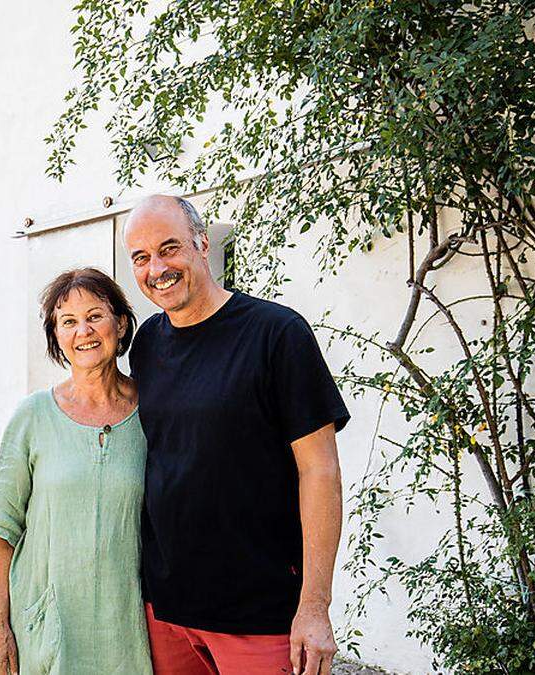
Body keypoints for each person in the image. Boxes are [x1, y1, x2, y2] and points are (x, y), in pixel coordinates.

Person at [124, 195, 349, 675]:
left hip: (259, 613)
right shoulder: (146, 344)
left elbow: (320, 470)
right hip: (167, 612)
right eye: (141, 258)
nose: (156, 268)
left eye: (170, 248)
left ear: (203, 244)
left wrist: (314, 606)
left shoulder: (277, 334)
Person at [0, 268, 152, 675]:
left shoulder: (155, 412)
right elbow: (2, 529)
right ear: (56, 335)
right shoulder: (33, 416)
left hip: (129, 630)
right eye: (68, 322)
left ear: (120, 323)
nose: (83, 331)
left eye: (95, 316)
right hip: (46, 624)